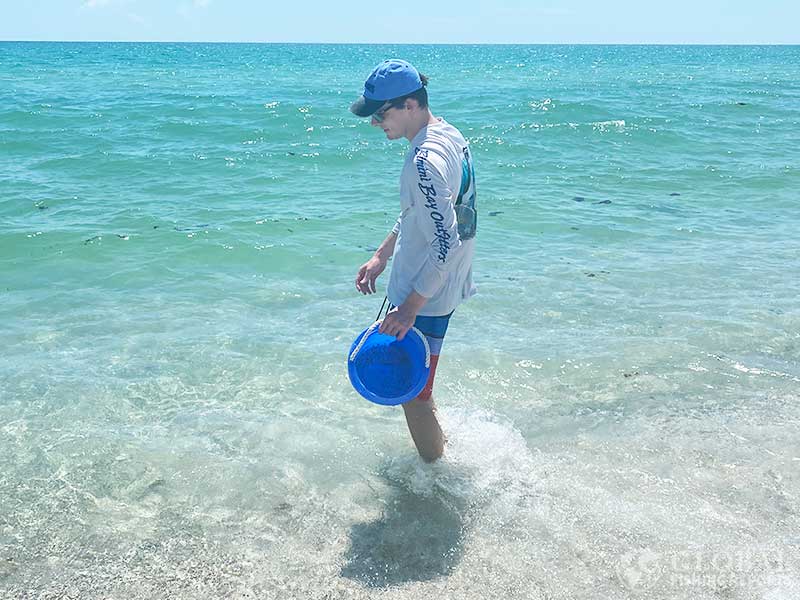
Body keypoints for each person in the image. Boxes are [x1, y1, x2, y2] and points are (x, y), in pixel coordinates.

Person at [350, 59, 477, 463]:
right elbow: (419, 214)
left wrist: (409, 308)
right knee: (420, 385)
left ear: (410, 104)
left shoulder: (425, 160)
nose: (375, 124)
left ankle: (434, 478)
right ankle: (440, 451)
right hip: (439, 286)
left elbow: (447, 241)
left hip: (427, 295)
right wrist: (382, 253)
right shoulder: (448, 135)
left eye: (381, 114)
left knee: (414, 396)